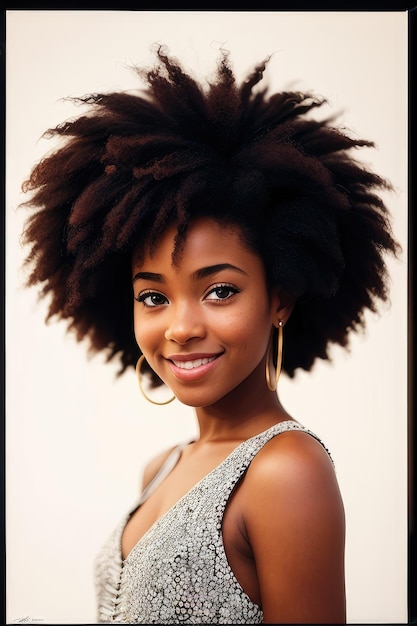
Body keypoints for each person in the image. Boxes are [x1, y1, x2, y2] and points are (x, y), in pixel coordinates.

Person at [20, 46, 400, 624]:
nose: (180, 327)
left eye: (219, 290)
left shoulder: (286, 469)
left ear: (279, 298)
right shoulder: (163, 466)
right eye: (153, 296)